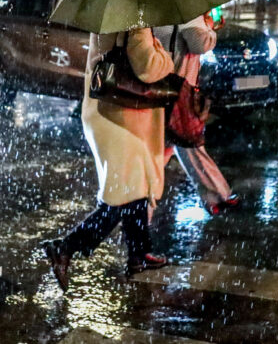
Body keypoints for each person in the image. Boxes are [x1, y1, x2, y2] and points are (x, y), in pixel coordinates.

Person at [41, 28, 174, 292]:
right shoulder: (135, 17)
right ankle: (65, 247)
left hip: (109, 109)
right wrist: (166, 58)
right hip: (121, 115)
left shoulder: (112, 18)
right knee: (122, 195)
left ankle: (139, 253)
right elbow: (147, 67)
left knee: (132, 187)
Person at [154, 15, 240, 214]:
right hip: (178, 89)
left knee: (169, 146)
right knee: (186, 141)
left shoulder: (165, 8)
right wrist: (209, 27)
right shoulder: (186, 11)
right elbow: (199, 43)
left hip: (168, 86)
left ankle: (136, 202)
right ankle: (135, 203)